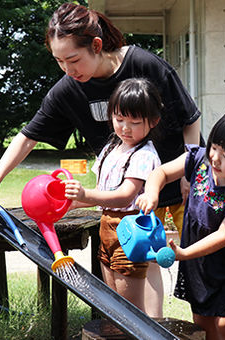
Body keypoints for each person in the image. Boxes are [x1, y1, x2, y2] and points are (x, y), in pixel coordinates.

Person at [0, 2, 202, 317]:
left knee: (201, 273)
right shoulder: (69, 89)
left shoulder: (144, 64)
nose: (68, 69)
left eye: (73, 59)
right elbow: (28, 137)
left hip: (181, 184)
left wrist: (189, 175)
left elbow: (190, 119)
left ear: (97, 46)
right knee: (140, 264)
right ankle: (153, 327)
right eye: (59, 61)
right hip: (132, 203)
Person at [136, 104, 225, 340]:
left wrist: (184, 253)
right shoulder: (198, 159)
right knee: (202, 320)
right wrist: (152, 193)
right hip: (198, 263)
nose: (215, 157)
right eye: (214, 147)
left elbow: (224, 235)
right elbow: (160, 173)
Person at [63, 78, 161, 313]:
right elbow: (102, 193)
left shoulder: (144, 155)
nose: (125, 127)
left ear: (153, 122)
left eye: (134, 122)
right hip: (107, 227)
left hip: (131, 229)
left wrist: (85, 194)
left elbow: (124, 196)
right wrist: (73, 203)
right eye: (119, 119)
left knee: (130, 309)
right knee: (114, 304)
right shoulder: (110, 149)